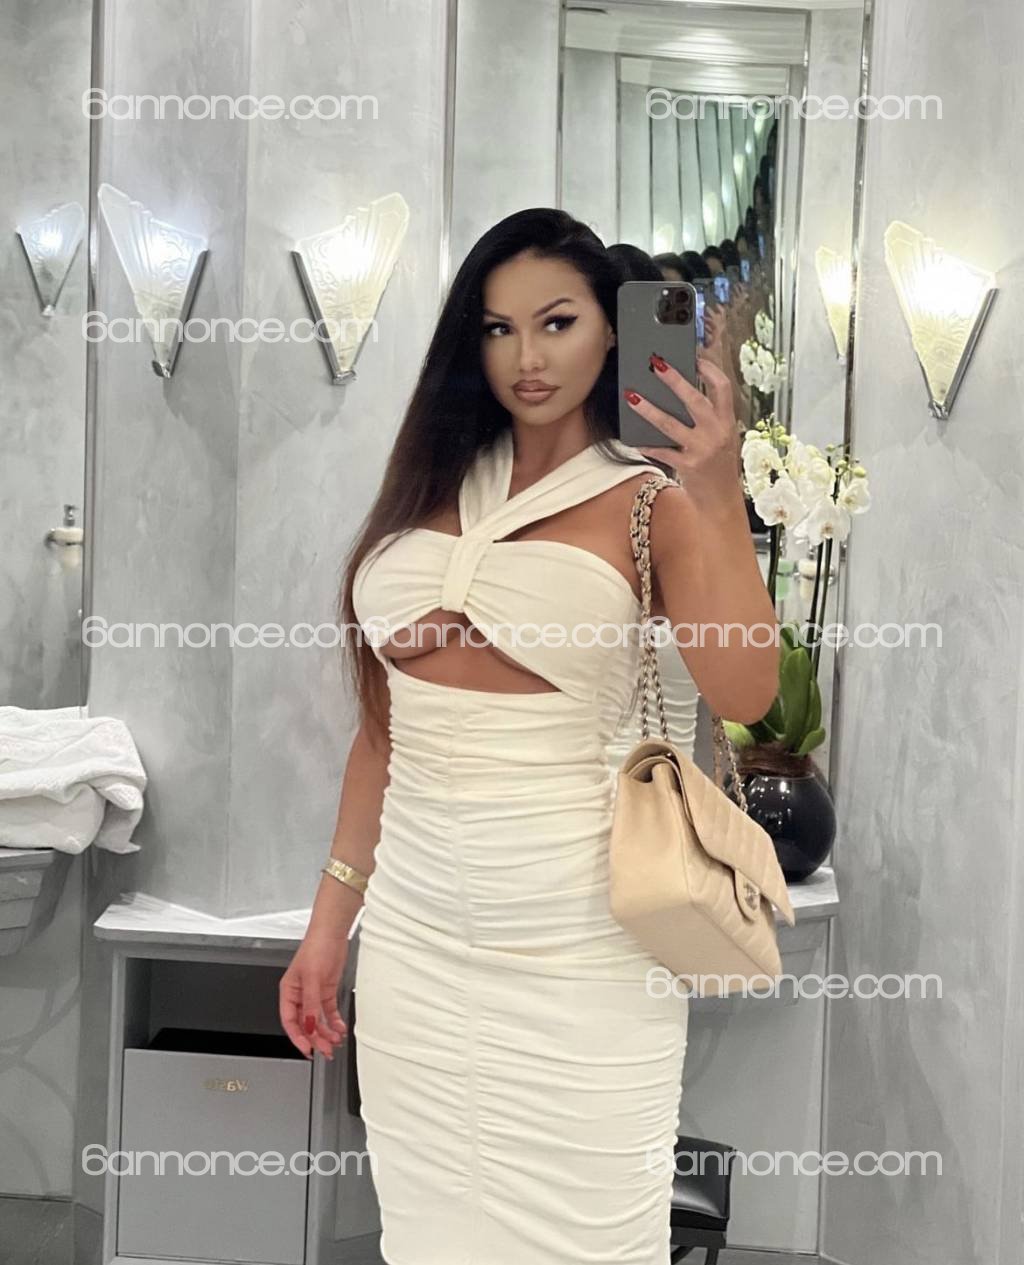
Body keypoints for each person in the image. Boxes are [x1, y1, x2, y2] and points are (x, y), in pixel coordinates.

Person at [279, 207, 779, 1264]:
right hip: (416, 949)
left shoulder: (650, 503)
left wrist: (719, 487)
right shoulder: (426, 492)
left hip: (583, 956)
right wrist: (330, 925)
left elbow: (744, 686)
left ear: (613, 330)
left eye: (557, 322)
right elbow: (382, 737)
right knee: (428, 1236)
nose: (527, 357)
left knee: (589, 1241)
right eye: (498, 329)